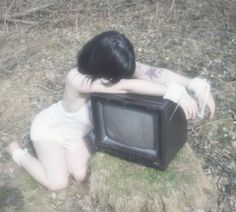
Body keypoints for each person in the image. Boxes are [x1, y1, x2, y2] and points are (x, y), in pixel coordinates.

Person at [6, 31, 215, 191]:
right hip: (49, 130)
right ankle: (17, 152)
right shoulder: (76, 78)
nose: (124, 74)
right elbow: (126, 86)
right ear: (103, 63)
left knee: (80, 174)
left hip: (78, 134)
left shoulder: (109, 66)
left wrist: (194, 84)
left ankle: (64, 154)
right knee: (57, 183)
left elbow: (153, 72)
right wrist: (174, 93)